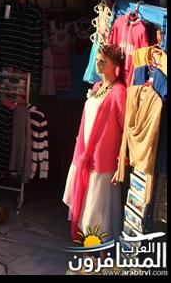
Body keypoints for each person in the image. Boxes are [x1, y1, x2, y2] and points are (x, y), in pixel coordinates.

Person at [63, 44, 127, 244]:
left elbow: (125, 127)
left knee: (97, 208)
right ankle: (87, 249)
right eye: (97, 59)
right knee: (84, 202)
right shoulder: (97, 87)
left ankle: (99, 252)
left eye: (103, 61)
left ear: (114, 64)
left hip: (102, 156)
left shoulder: (119, 92)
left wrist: (122, 157)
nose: (97, 64)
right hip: (84, 152)